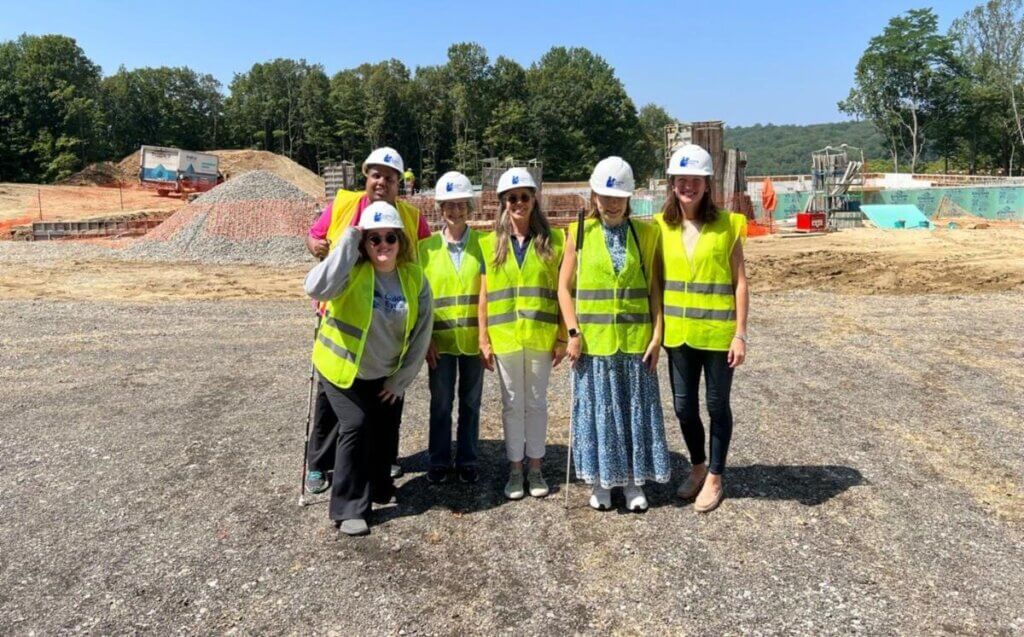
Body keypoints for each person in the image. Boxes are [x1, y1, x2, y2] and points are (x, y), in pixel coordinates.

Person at [304, 147, 431, 494]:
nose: (382, 182)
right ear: (366, 177)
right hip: (340, 313)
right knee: (333, 401)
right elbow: (314, 236)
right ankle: (319, 463)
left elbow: (426, 260)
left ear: (398, 184)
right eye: (376, 175)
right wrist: (318, 246)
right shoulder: (343, 205)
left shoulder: (410, 217)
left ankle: (383, 462)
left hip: (391, 317)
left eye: (389, 178)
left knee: (388, 400)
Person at [558, 157, 670, 512]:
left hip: (636, 344)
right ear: (593, 195)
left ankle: (635, 483)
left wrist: (658, 335)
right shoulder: (578, 234)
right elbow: (563, 288)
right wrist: (573, 332)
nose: (611, 203)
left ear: (629, 198)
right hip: (593, 345)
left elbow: (655, 290)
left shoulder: (648, 234)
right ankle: (602, 482)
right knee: (599, 414)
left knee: (634, 412)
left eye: (618, 196)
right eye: (605, 195)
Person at [656, 144, 749, 514]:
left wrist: (740, 333)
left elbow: (740, 282)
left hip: (717, 334)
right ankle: (697, 466)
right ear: (673, 184)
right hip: (678, 336)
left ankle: (715, 475)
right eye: (681, 180)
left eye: (695, 180)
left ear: (707, 184)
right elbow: (656, 283)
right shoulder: (662, 227)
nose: (688, 186)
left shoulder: (728, 224)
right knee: (683, 408)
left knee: (716, 405)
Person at [478, 167, 566, 500]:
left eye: (524, 197)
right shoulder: (489, 245)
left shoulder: (554, 241)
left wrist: (562, 336)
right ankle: (515, 470)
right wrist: (483, 338)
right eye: (512, 198)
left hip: (541, 337)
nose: (518, 203)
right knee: (512, 404)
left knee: (537, 403)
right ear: (503, 203)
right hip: (505, 339)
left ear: (534, 200)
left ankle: (536, 468)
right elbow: (484, 296)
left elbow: (562, 291)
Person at [418, 171, 485, 485]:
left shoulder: (484, 246)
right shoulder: (426, 249)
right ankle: (440, 460)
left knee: (471, 403)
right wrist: (426, 338)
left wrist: (488, 339)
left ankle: (469, 459)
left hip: (473, 341)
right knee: (441, 403)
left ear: (469, 207)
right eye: (449, 205)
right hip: (440, 343)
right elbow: (421, 300)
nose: (455, 211)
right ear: (439, 208)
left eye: (460, 205)